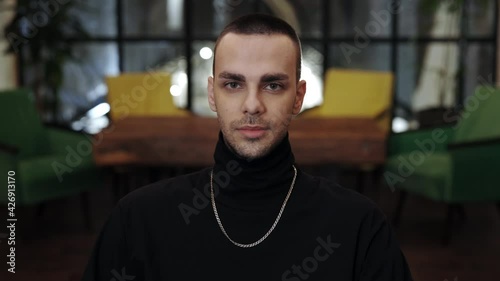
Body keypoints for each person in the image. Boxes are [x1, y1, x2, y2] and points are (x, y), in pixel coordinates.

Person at [81, 14, 413, 281]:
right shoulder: (138, 220)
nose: (252, 105)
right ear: (212, 94)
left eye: (272, 85)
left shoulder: (358, 226)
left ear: (298, 97)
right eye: (233, 84)